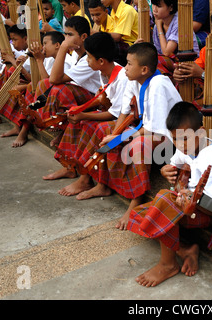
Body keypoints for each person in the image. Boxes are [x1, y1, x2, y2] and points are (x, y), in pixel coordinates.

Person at [127, 101, 212, 287]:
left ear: (201, 132)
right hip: (186, 205)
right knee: (137, 216)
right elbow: (174, 163)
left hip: (206, 212)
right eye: (174, 139)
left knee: (163, 200)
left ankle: (168, 265)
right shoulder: (187, 147)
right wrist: (164, 171)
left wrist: (191, 197)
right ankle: (185, 249)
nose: (179, 144)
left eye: (183, 139)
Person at [76, 42, 182, 231]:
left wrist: (119, 139)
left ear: (144, 69)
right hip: (148, 129)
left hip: (170, 138)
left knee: (138, 144)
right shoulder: (134, 79)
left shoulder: (158, 85)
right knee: (104, 130)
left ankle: (137, 198)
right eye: (126, 63)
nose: (125, 68)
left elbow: (153, 129)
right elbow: (124, 112)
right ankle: (102, 183)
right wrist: (114, 135)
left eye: (129, 64)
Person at [48, 31, 129, 193]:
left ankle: (87, 179)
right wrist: (80, 114)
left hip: (126, 122)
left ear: (100, 61)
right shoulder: (103, 72)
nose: (87, 61)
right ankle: (71, 167)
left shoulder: (122, 78)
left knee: (94, 127)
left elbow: (115, 114)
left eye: (89, 58)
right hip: (113, 114)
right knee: (79, 123)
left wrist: (84, 115)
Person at [31, 16, 101, 150]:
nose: (66, 38)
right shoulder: (76, 54)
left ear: (84, 37)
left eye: (70, 35)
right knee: (43, 84)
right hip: (81, 95)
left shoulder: (89, 59)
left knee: (58, 89)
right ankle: (46, 121)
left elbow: (54, 79)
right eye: (65, 34)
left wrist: (63, 47)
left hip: (95, 99)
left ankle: (57, 124)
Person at [151, 0, 199, 79]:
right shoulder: (159, 23)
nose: (154, 9)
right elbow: (158, 51)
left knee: (157, 61)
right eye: (153, 5)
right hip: (172, 63)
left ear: (171, 7)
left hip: (188, 64)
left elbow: (167, 52)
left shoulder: (179, 22)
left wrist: (159, 28)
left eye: (159, 6)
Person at [101, 0, 139, 65]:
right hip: (122, 45)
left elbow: (117, 37)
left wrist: (98, 34)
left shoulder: (127, 10)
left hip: (133, 46)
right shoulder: (113, 12)